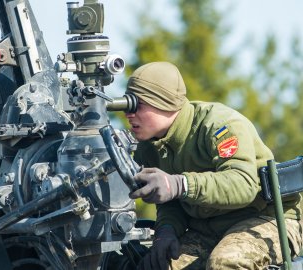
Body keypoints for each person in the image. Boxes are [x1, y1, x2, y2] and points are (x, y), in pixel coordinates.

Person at [124, 61, 303, 269]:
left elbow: (243, 184)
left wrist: (180, 184)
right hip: (210, 227)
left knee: (225, 263)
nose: (129, 114)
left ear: (163, 102)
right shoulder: (149, 146)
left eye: (138, 105)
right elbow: (170, 202)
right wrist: (167, 230)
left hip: (266, 218)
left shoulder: (218, 126)